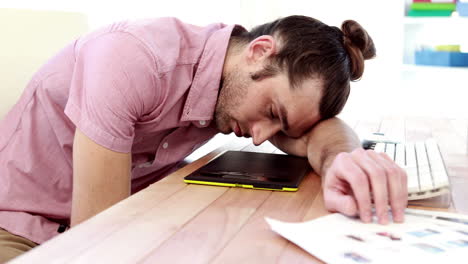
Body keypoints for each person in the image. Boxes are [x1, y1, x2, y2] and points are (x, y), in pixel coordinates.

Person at [0, 15, 407, 261]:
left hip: (122, 218)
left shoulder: (234, 87)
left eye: (282, 130)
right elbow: (97, 243)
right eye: (272, 115)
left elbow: (323, 133)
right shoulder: (131, 58)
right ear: (260, 51)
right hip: (19, 223)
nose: (262, 139)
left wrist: (345, 160)